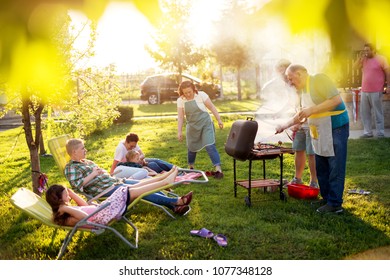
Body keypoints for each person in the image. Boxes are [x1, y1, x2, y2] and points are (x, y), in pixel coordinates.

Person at [275, 64, 349, 214]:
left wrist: (311, 110)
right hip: (320, 130)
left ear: (301, 74)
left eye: (291, 78)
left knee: (335, 166)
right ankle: (327, 198)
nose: (290, 82)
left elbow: (335, 100)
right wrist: (285, 125)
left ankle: (335, 204)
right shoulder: (302, 91)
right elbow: (302, 114)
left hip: (336, 128)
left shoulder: (320, 79)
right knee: (321, 166)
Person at [64, 138, 192, 215]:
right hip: (106, 190)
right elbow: (77, 186)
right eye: (82, 149)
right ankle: (177, 201)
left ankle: (174, 205)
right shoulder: (71, 168)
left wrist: (101, 172)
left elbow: (100, 173)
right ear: (74, 152)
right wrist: (93, 174)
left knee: (146, 182)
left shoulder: (87, 162)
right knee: (142, 191)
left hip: (115, 182)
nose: (85, 150)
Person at [46, 167, 181, 226]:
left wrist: (72, 193)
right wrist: (66, 208)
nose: (68, 197)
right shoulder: (65, 212)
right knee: (129, 190)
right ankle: (164, 181)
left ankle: (162, 178)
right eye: (66, 195)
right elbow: (85, 219)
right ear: (59, 200)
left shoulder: (65, 211)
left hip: (103, 209)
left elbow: (86, 207)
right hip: (105, 212)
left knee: (129, 189)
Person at [262, 59, 318, 187]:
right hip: (298, 120)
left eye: (280, 71)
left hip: (308, 121)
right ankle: (297, 179)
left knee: (311, 153)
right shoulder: (288, 83)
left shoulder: (298, 82)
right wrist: (280, 112)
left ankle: (314, 181)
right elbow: (291, 102)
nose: (279, 75)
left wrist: (298, 122)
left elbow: (303, 102)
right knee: (299, 149)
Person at [177, 80, 224, 179]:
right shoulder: (181, 100)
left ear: (193, 89)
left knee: (210, 145)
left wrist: (219, 120)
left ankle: (218, 170)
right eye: (185, 93)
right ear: (182, 92)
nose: (188, 94)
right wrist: (179, 131)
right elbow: (181, 117)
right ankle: (191, 168)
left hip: (205, 124)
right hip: (192, 127)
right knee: (191, 148)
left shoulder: (201, 95)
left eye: (189, 92)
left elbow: (212, 107)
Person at [354, 43, 390, 138]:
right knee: (365, 113)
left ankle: (380, 133)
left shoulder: (381, 59)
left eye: (367, 50)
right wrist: (359, 58)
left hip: (376, 90)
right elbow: (354, 67)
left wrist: (388, 86)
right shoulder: (364, 59)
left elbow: (387, 71)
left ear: (373, 50)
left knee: (378, 112)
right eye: (364, 50)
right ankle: (368, 132)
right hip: (365, 90)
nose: (366, 52)